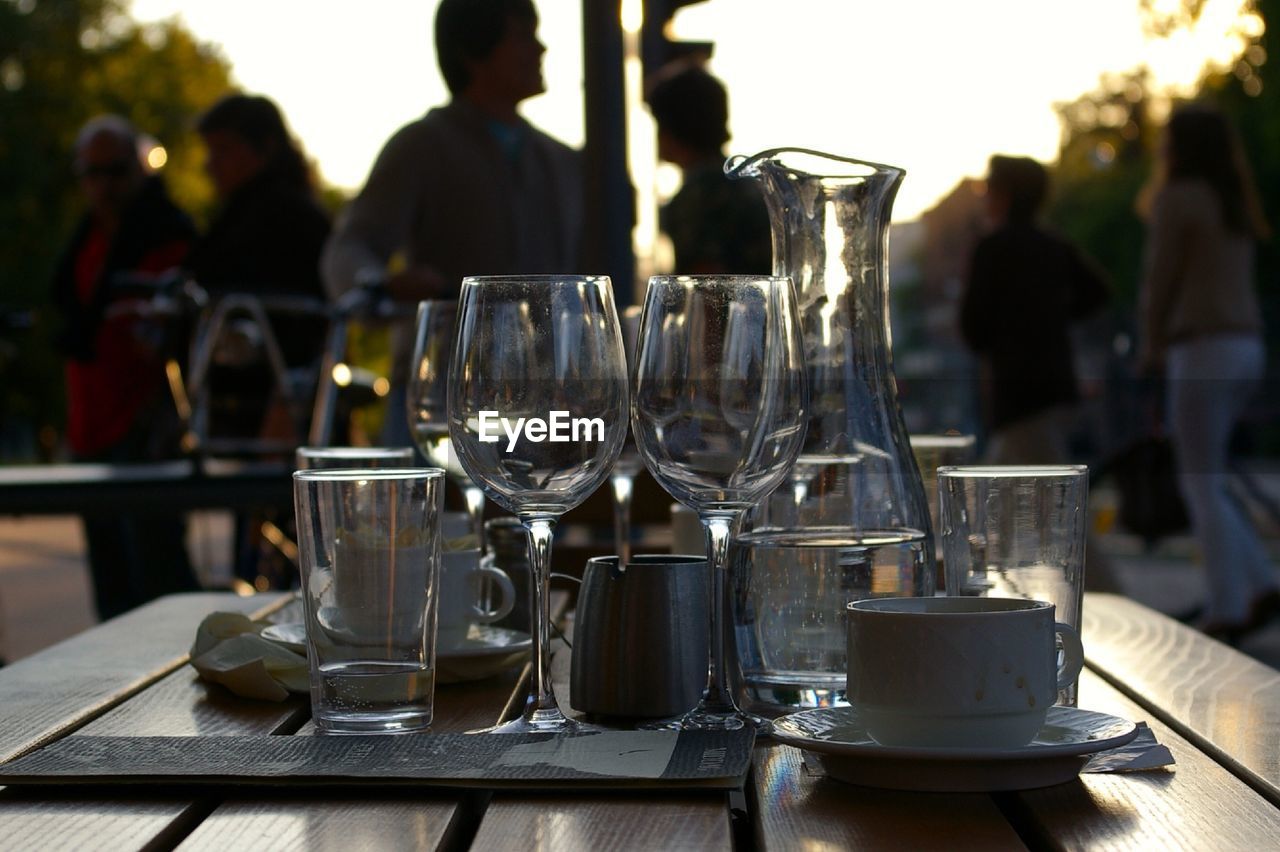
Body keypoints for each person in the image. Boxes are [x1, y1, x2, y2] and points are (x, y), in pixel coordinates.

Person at [321, 0, 582, 444]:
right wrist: (378, 285)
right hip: (442, 401)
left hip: (547, 403)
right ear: (472, 50)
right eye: (521, 34)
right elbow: (349, 247)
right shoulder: (422, 146)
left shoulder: (561, 161)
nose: (539, 48)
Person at [1137, 104, 1278, 643]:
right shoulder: (1232, 201)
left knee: (1198, 479)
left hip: (1201, 349)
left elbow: (1160, 280)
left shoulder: (1177, 198)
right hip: (1246, 344)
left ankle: (1228, 606)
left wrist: (1150, 345)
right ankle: (1260, 584)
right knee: (1211, 476)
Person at [51, 115, 199, 620]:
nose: (103, 185)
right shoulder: (85, 240)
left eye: (115, 171)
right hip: (92, 425)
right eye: (91, 173)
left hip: (143, 424)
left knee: (157, 575)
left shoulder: (166, 235)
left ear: (139, 171)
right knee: (113, 583)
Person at [185, 93, 331, 442]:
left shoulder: (293, 221)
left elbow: (313, 321)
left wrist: (287, 402)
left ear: (265, 147)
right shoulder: (237, 217)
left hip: (272, 415)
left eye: (223, 150)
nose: (209, 164)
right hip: (229, 408)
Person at [960, 155, 1109, 464]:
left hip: (1017, 394)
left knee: (1028, 487)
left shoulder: (992, 249)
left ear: (1005, 194)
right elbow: (1098, 292)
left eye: (989, 188)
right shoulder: (1054, 245)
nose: (984, 195)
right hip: (1056, 386)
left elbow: (972, 329)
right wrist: (1052, 318)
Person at [646, 62, 771, 274]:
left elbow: (705, 288)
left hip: (734, 307)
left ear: (674, 128)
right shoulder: (747, 183)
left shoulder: (698, 196)